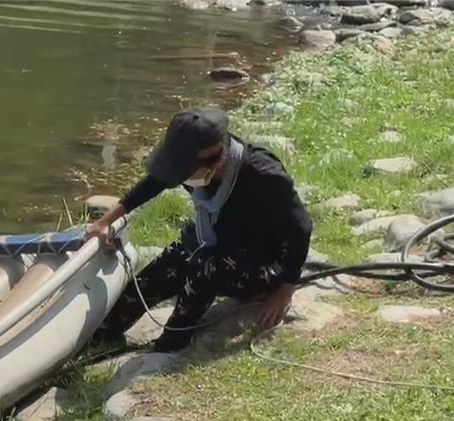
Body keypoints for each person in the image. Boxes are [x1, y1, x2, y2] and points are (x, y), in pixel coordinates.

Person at [86, 107, 312, 352]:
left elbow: (301, 227)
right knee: (172, 261)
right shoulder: (192, 165)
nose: (179, 178)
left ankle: (171, 342)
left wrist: (284, 290)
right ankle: (102, 336)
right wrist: (105, 221)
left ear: (216, 159)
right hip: (219, 242)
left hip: (260, 264)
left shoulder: (262, 175)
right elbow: (153, 183)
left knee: (205, 263)